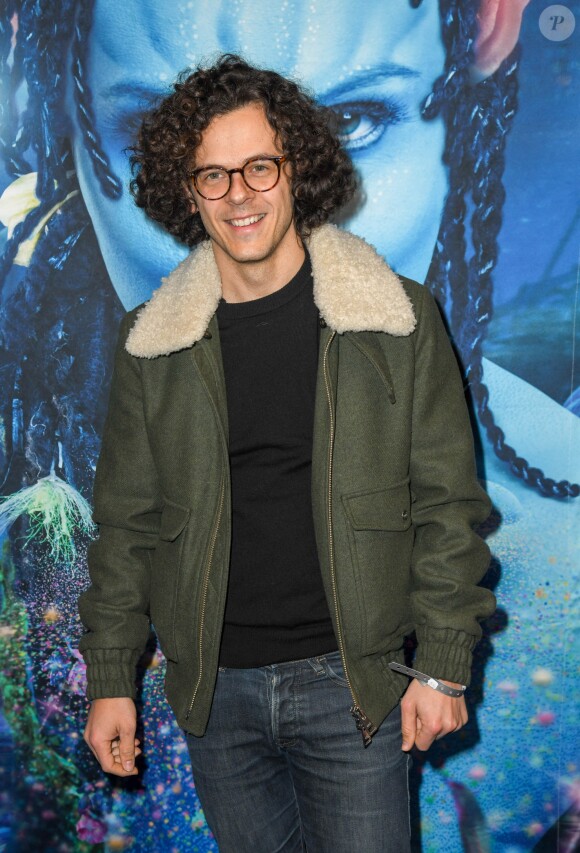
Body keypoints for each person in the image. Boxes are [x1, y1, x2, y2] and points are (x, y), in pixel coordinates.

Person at [79, 54, 495, 852]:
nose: (239, 194)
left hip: (353, 684)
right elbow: (127, 526)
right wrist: (109, 679)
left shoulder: (395, 319)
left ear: (297, 168)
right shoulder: (153, 342)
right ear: (187, 193)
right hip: (215, 696)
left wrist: (443, 664)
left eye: (259, 167)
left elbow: (450, 506)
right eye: (213, 175)